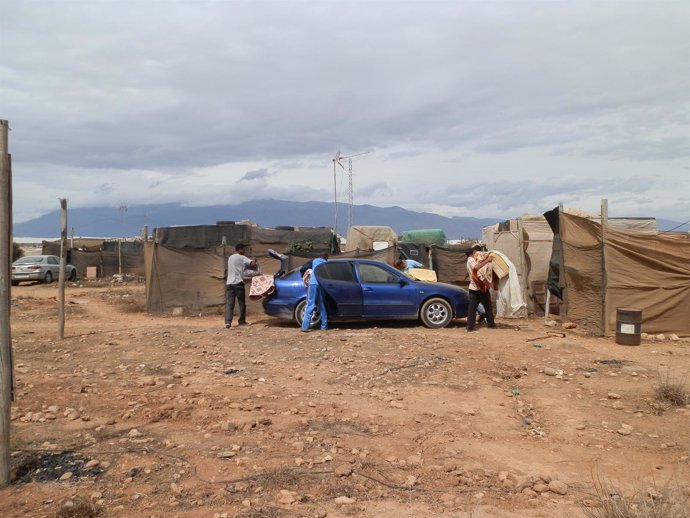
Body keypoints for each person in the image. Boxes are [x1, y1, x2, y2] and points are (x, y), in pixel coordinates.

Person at [225, 243, 257, 328]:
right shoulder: (242, 257)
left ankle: (228, 322)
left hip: (229, 283)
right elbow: (253, 264)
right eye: (244, 249)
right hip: (238, 283)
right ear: (240, 249)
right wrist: (254, 259)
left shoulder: (230, 257)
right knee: (241, 303)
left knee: (230, 304)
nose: (245, 251)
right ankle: (242, 321)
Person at [466, 245, 496, 332]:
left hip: (474, 288)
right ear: (474, 252)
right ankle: (490, 324)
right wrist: (487, 260)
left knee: (472, 308)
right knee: (487, 306)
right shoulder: (471, 260)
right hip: (479, 288)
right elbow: (476, 268)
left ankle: (470, 326)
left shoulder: (472, 260)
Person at [301, 253, 329, 332]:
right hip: (322, 284)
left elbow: (303, 268)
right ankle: (324, 326)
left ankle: (305, 326)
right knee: (321, 305)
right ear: (326, 257)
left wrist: (303, 276)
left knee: (310, 304)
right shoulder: (326, 264)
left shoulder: (314, 261)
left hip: (313, 284)